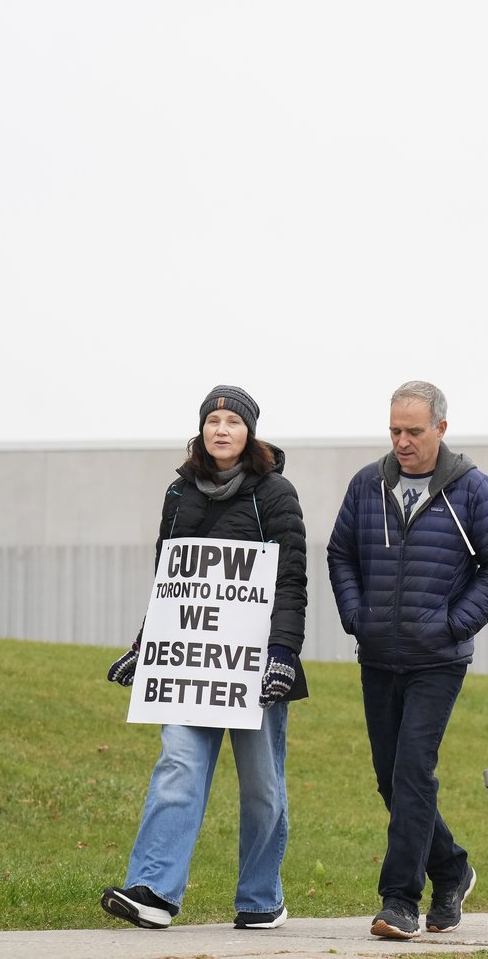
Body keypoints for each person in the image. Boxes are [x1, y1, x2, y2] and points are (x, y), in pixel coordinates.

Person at [100, 385, 307, 931]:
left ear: (249, 433)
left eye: (232, 422)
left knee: (263, 788)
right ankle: (154, 891)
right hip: (191, 666)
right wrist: (148, 648)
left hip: (256, 667)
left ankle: (262, 898)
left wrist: (282, 654)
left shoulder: (276, 494)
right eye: (213, 420)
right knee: (177, 767)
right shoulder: (177, 494)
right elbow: (172, 583)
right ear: (202, 430)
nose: (222, 429)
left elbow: (290, 582)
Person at [327, 380, 488, 940]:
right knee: (390, 780)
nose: (402, 442)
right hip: (378, 655)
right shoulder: (368, 485)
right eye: (394, 430)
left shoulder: (473, 490)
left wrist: (453, 625)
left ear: (441, 429)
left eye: (413, 431)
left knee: (413, 771)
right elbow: (340, 553)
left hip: (438, 661)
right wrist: (357, 616)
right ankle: (452, 869)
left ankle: (400, 901)